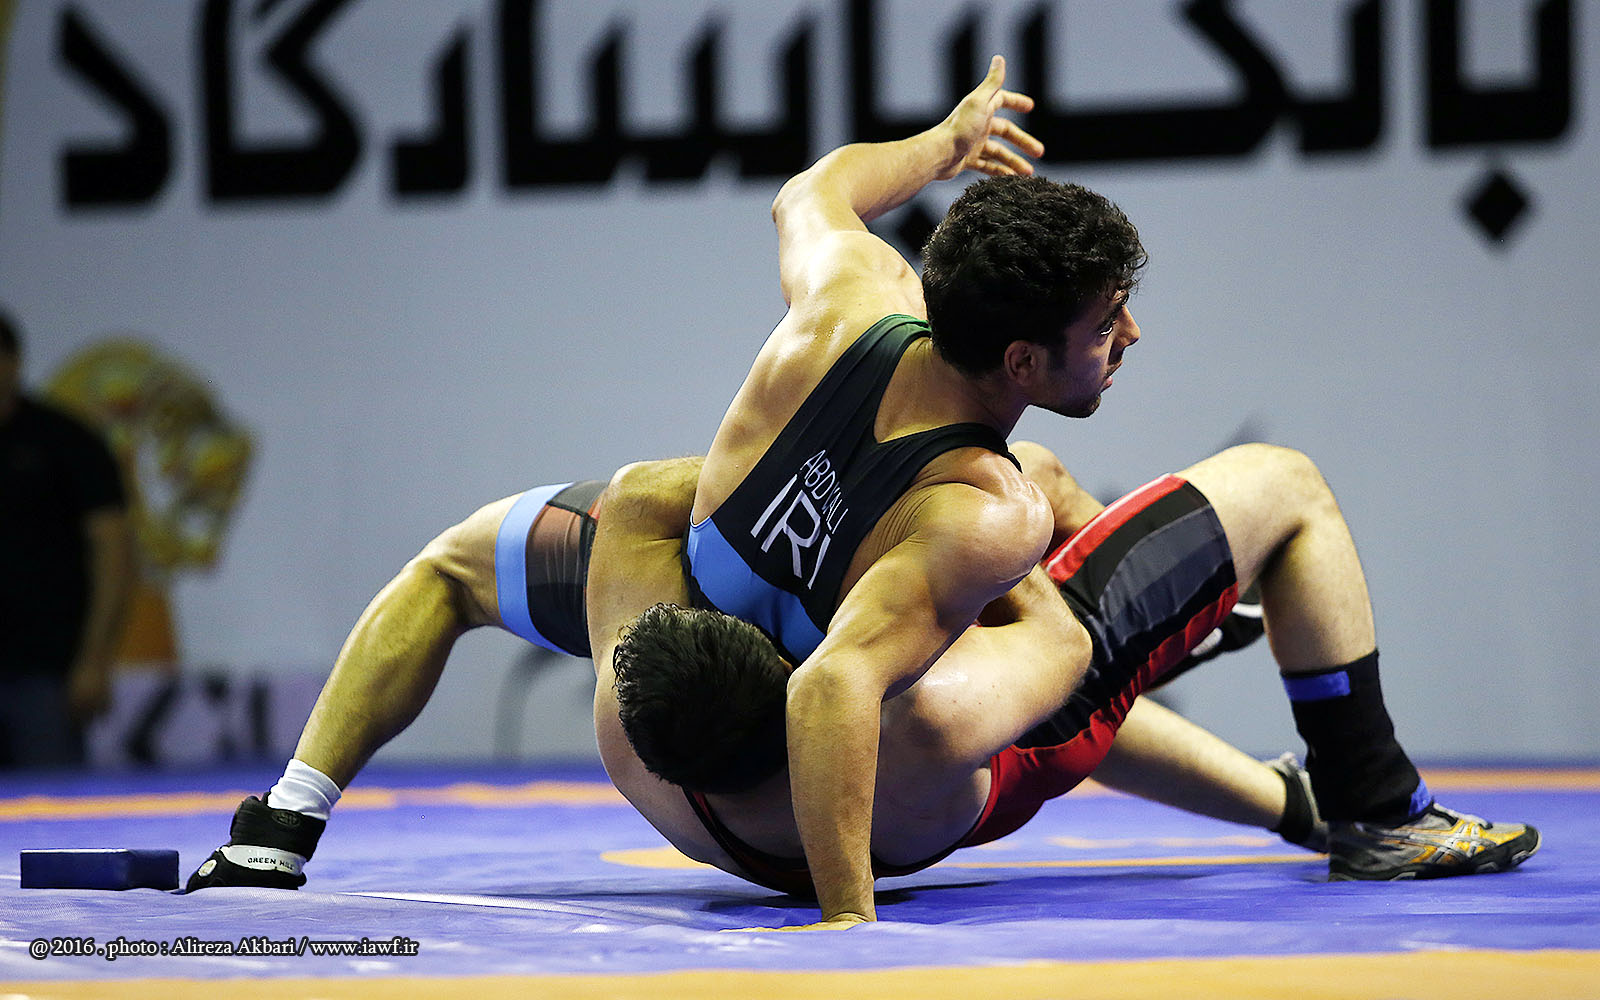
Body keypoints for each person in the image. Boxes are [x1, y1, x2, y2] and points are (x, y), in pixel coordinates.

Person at [645, 56, 1534, 925]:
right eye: (1106, 325)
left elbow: (809, 191)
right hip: (908, 792)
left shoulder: (846, 299)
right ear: (1022, 362)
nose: (1132, 336)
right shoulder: (985, 509)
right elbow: (836, 684)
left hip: (740, 809)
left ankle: (1274, 766)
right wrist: (847, 926)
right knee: (1278, 486)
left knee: (1035, 487)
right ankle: (1378, 810)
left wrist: (944, 144)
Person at [184, 451, 1327, 894]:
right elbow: (1052, 635)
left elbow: (637, 500)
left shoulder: (627, 728)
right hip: (983, 763)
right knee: (1245, 494)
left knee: (452, 568)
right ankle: (1340, 791)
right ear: (789, 674)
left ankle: (288, 816)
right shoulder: (915, 716)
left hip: (768, 818)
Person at [0, 310, 135, 768]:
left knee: (49, 798)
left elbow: (113, 552)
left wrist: (95, 659)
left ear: (13, 361)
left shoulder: (65, 442)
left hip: (45, 670)